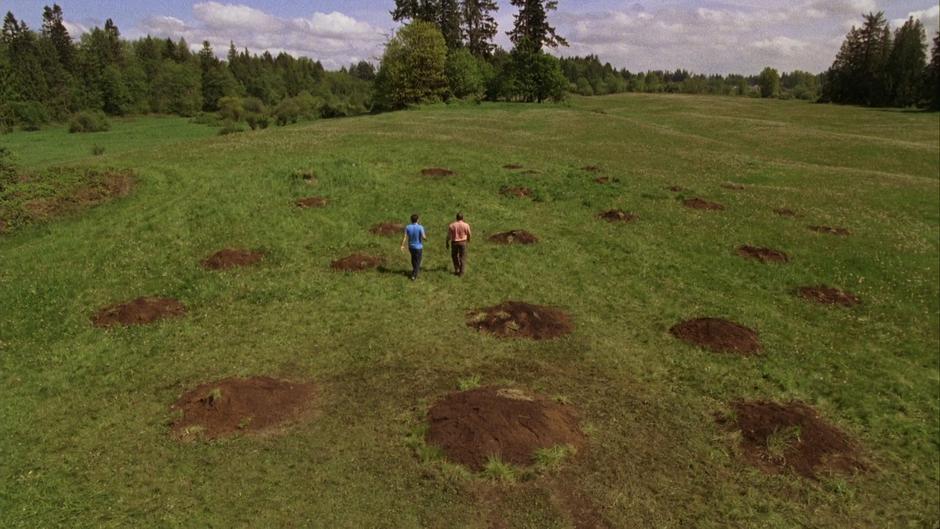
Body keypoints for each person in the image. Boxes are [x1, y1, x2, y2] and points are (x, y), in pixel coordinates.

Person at [400, 213, 427, 281]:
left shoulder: (408, 227)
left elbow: (405, 237)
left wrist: (402, 245)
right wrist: (426, 239)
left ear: (411, 220)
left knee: (413, 259)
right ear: (417, 220)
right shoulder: (420, 227)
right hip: (418, 247)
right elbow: (423, 237)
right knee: (418, 260)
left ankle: (415, 270)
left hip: (411, 247)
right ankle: (414, 275)